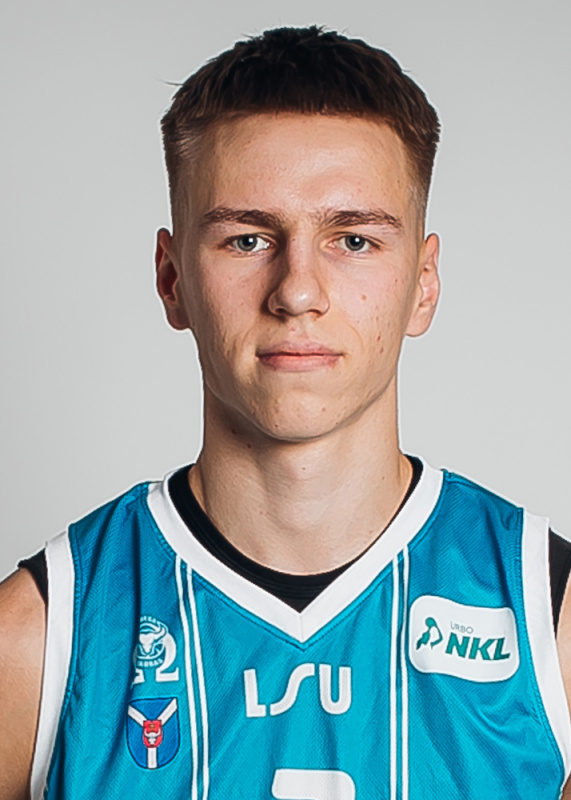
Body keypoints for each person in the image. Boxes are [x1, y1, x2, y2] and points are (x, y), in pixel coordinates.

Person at [1, 25, 570, 799]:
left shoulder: (550, 625)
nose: (297, 290)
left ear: (423, 282)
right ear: (172, 279)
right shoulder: (37, 641)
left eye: (353, 240)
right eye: (246, 239)